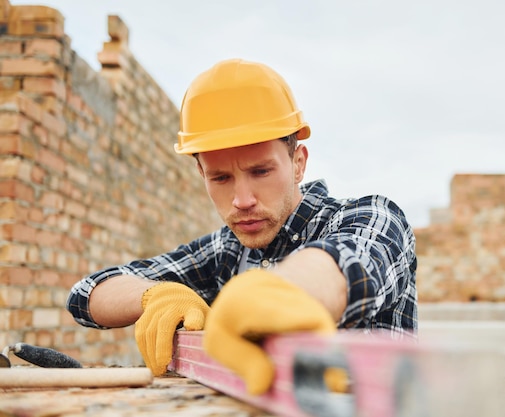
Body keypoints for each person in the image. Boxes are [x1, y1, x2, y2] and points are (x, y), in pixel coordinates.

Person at [66, 58, 418, 395]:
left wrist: (275, 293)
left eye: (260, 172)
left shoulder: (374, 217)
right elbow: (86, 293)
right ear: (201, 174)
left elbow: (347, 262)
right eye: (220, 178)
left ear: (298, 163)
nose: (242, 200)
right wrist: (152, 295)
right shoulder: (226, 251)